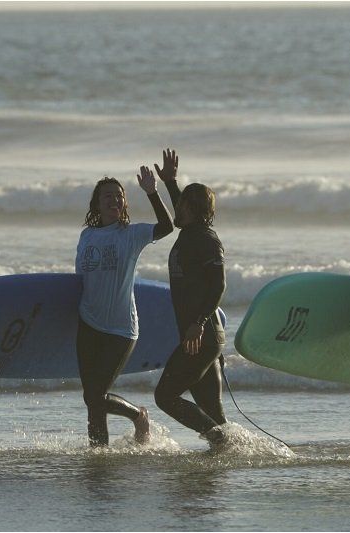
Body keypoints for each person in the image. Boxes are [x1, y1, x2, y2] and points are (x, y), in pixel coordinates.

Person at [75, 167, 173, 447]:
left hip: (120, 329)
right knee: (92, 399)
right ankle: (99, 454)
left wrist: (152, 193)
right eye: (108, 196)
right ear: (97, 203)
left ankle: (138, 416)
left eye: (119, 196)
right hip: (88, 323)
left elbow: (167, 227)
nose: (114, 200)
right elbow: (80, 280)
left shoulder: (131, 234)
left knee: (96, 395)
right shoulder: (87, 236)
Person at [152, 148, 229, 447]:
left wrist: (198, 322)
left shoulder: (206, 240)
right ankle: (227, 452)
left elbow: (219, 285)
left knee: (165, 396)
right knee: (213, 412)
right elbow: (180, 208)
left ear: (193, 211)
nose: (176, 210)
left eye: (182, 205)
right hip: (202, 337)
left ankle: (218, 439)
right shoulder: (191, 231)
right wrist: (170, 182)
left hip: (202, 336)